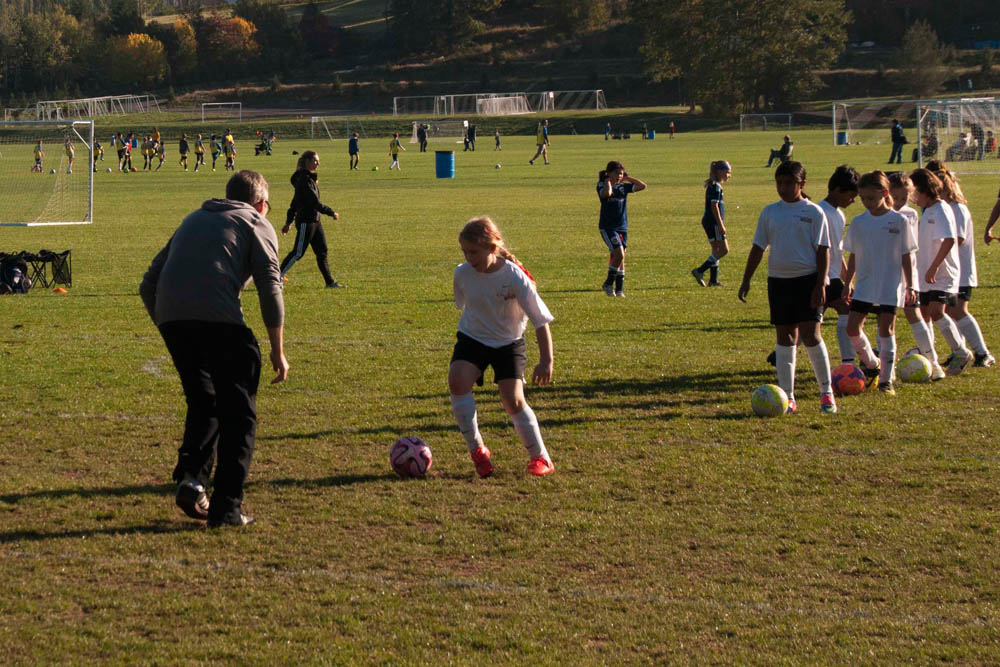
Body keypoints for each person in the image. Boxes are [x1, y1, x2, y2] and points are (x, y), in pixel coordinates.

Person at [139, 170, 288, 528]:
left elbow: (148, 284)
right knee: (240, 415)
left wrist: (171, 326)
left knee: (205, 401)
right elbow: (270, 288)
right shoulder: (256, 223)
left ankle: (192, 480)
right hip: (218, 321)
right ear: (261, 204)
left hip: (173, 320)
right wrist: (277, 350)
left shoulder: (193, 218)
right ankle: (226, 508)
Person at [448, 216, 555, 478]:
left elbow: (540, 320)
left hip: (509, 343)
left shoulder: (514, 276)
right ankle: (477, 450)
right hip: (472, 337)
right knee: (457, 381)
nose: (468, 258)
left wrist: (546, 361)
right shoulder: (462, 273)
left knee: (513, 400)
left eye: (474, 252)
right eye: (464, 252)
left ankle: (541, 457)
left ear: (492, 248)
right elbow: (464, 304)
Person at [738, 161, 836, 415]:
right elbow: (758, 247)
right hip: (778, 282)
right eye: (779, 183)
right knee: (785, 337)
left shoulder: (814, 212)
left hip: (807, 281)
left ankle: (826, 393)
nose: (783, 188)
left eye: (789, 183)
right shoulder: (770, 212)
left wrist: (820, 283)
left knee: (811, 335)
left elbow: (823, 250)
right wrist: (746, 279)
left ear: (802, 184)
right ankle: (788, 397)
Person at [842, 170, 918, 395]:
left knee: (886, 330)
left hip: (889, 284)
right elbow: (853, 254)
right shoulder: (859, 222)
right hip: (865, 284)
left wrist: (910, 285)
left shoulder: (899, 221)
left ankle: (886, 381)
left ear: (885, 193)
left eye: (871, 198)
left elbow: (906, 255)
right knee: (852, 328)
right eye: (863, 198)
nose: (867, 202)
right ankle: (873, 363)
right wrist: (848, 282)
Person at [927, 161, 995, 367]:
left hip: (961, 271)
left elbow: (958, 239)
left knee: (958, 310)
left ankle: (983, 353)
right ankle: (960, 351)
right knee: (949, 311)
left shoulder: (958, 209)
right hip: (950, 270)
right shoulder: (944, 209)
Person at [908, 167, 971, 378]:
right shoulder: (927, 211)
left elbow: (949, 240)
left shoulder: (941, 209)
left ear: (923, 190)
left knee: (936, 311)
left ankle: (960, 351)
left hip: (942, 273)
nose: (911, 197)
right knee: (925, 313)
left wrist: (934, 266)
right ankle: (930, 357)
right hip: (926, 272)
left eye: (912, 191)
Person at [279, 150, 343, 288]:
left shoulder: (307, 178)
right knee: (298, 252)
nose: (318, 164)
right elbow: (314, 203)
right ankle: (276, 277)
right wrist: (331, 212)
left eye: (318, 161)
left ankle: (329, 282)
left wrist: (288, 222)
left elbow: (294, 203)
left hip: (315, 221)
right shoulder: (304, 180)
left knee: (322, 251)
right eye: (315, 161)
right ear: (307, 161)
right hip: (306, 222)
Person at [597, 160, 647, 297]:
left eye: (621, 173)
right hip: (608, 227)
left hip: (622, 226)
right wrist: (608, 182)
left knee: (621, 258)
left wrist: (627, 178)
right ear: (609, 173)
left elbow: (642, 186)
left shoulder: (623, 187)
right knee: (619, 254)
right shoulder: (601, 185)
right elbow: (606, 194)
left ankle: (619, 290)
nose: (619, 176)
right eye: (616, 173)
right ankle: (608, 284)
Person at [691, 160, 732, 288]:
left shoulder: (713, 185)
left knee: (715, 250)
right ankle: (700, 270)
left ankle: (713, 280)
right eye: (727, 172)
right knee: (724, 250)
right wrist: (720, 224)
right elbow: (714, 206)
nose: (729, 175)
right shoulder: (716, 187)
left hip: (708, 221)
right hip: (713, 222)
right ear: (719, 171)